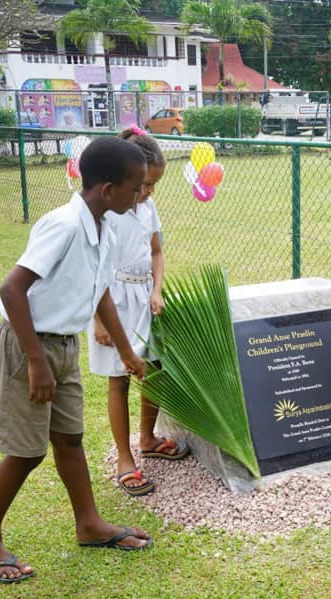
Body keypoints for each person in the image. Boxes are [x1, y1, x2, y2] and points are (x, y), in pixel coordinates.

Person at [0, 136, 154, 584]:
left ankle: (89, 524)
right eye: (136, 187)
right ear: (107, 188)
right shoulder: (65, 225)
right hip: (28, 345)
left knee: (69, 439)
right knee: (26, 452)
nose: (142, 194)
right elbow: (12, 289)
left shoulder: (105, 224)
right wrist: (35, 360)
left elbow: (100, 289)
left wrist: (127, 351)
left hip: (64, 345)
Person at [88, 126, 188, 498]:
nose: (147, 193)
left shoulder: (148, 207)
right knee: (119, 378)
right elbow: (93, 264)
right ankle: (124, 459)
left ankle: (147, 438)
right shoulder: (107, 209)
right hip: (111, 299)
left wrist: (157, 289)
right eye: (144, 184)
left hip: (145, 296)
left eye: (154, 187)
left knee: (155, 371)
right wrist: (98, 316)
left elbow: (157, 252)